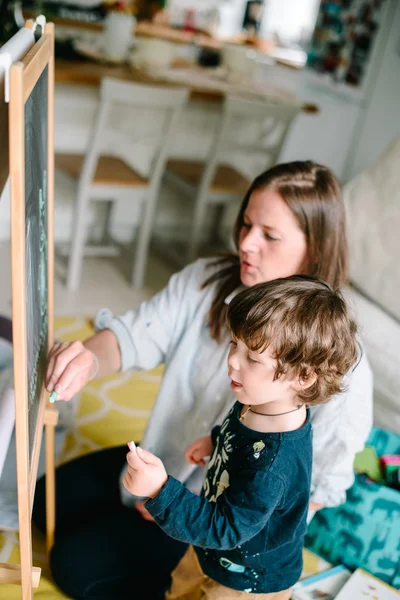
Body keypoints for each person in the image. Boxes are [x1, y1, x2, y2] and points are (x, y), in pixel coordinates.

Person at [33, 161, 373, 599]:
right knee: (45, 502)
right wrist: (88, 359)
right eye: (246, 224)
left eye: (269, 235)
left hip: (216, 529)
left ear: (316, 247)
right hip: (176, 472)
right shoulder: (209, 281)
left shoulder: (334, 359)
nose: (246, 243)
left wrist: (173, 506)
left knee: (74, 565)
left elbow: (304, 493)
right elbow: (137, 335)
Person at [123, 276, 359, 599]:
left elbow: (225, 527)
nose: (232, 359)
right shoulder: (259, 399)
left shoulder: (274, 464)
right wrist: (217, 440)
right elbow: (243, 433)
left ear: (302, 376)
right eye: (235, 344)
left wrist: (160, 491)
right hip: (211, 548)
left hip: (248, 579)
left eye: (252, 357)